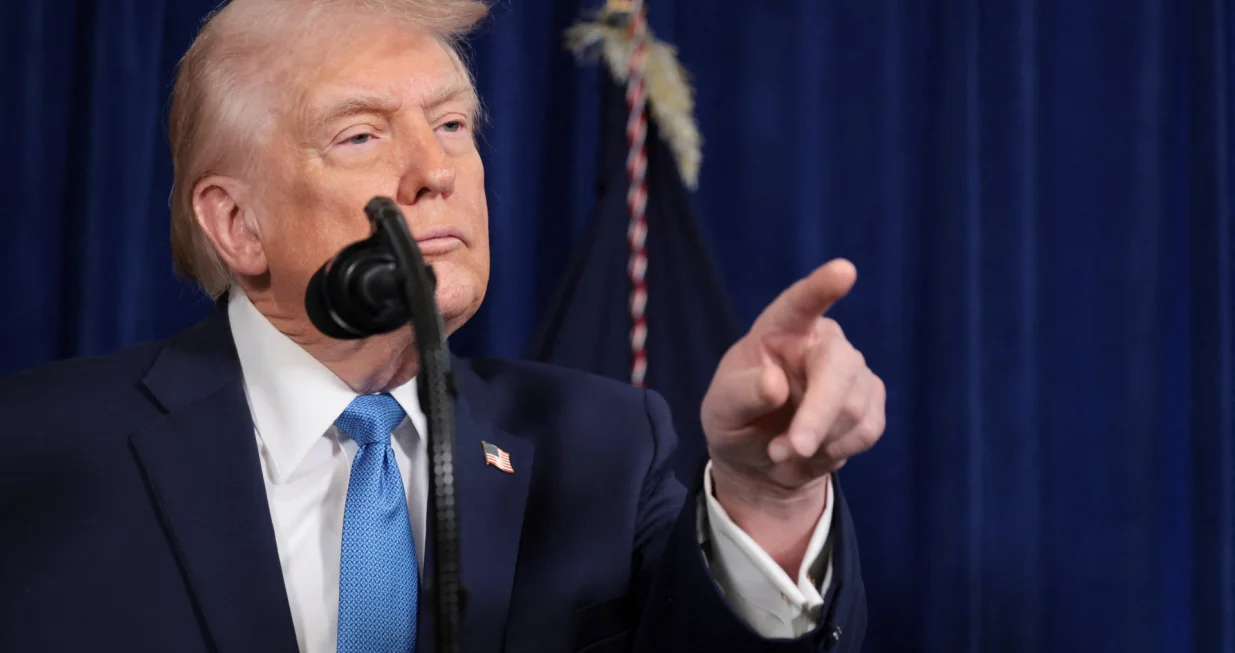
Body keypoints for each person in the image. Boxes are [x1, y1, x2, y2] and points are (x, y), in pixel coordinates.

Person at [0, 1, 885, 651]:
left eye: (453, 124)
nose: (437, 169)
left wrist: (768, 497)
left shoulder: (606, 446)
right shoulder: (35, 449)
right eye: (360, 135)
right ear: (236, 224)